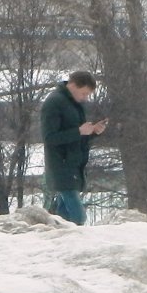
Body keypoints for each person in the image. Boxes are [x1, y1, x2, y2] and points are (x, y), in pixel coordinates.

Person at [40, 71, 106, 225]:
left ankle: (60, 241)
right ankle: (76, 243)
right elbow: (49, 138)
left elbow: (77, 137)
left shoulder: (73, 104)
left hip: (73, 164)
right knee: (78, 217)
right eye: (84, 93)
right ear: (73, 85)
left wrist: (93, 132)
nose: (85, 98)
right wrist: (79, 131)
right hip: (61, 164)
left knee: (64, 216)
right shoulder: (54, 102)